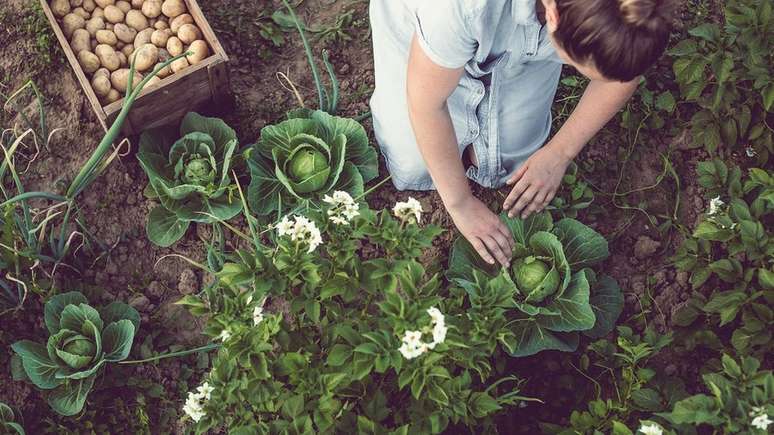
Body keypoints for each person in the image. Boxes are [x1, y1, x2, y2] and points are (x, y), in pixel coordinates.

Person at [369, 0, 676, 267]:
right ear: (554, 17)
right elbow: (426, 105)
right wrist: (460, 204)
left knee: (511, 163)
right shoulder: (455, 7)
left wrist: (560, 152)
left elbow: (621, 75)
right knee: (413, 164)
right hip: (426, 29)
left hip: (530, 38)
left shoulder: (632, 13)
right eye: (575, 64)